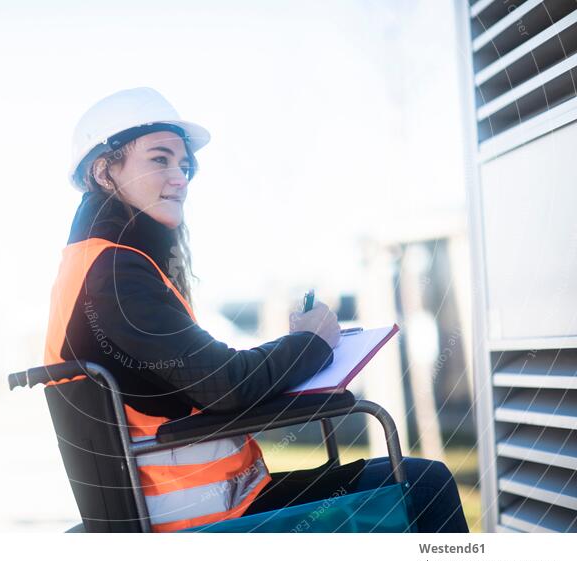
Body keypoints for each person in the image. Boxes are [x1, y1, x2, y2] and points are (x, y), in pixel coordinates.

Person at [44, 86, 469, 533]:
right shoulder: (114, 273)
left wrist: (296, 350)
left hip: (218, 503)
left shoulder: (103, 263)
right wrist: (310, 342)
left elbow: (208, 377)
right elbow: (225, 385)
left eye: (183, 164)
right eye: (159, 159)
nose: (181, 177)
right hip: (205, 519)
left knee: (412, 480)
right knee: (426, 484)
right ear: (104, 172)